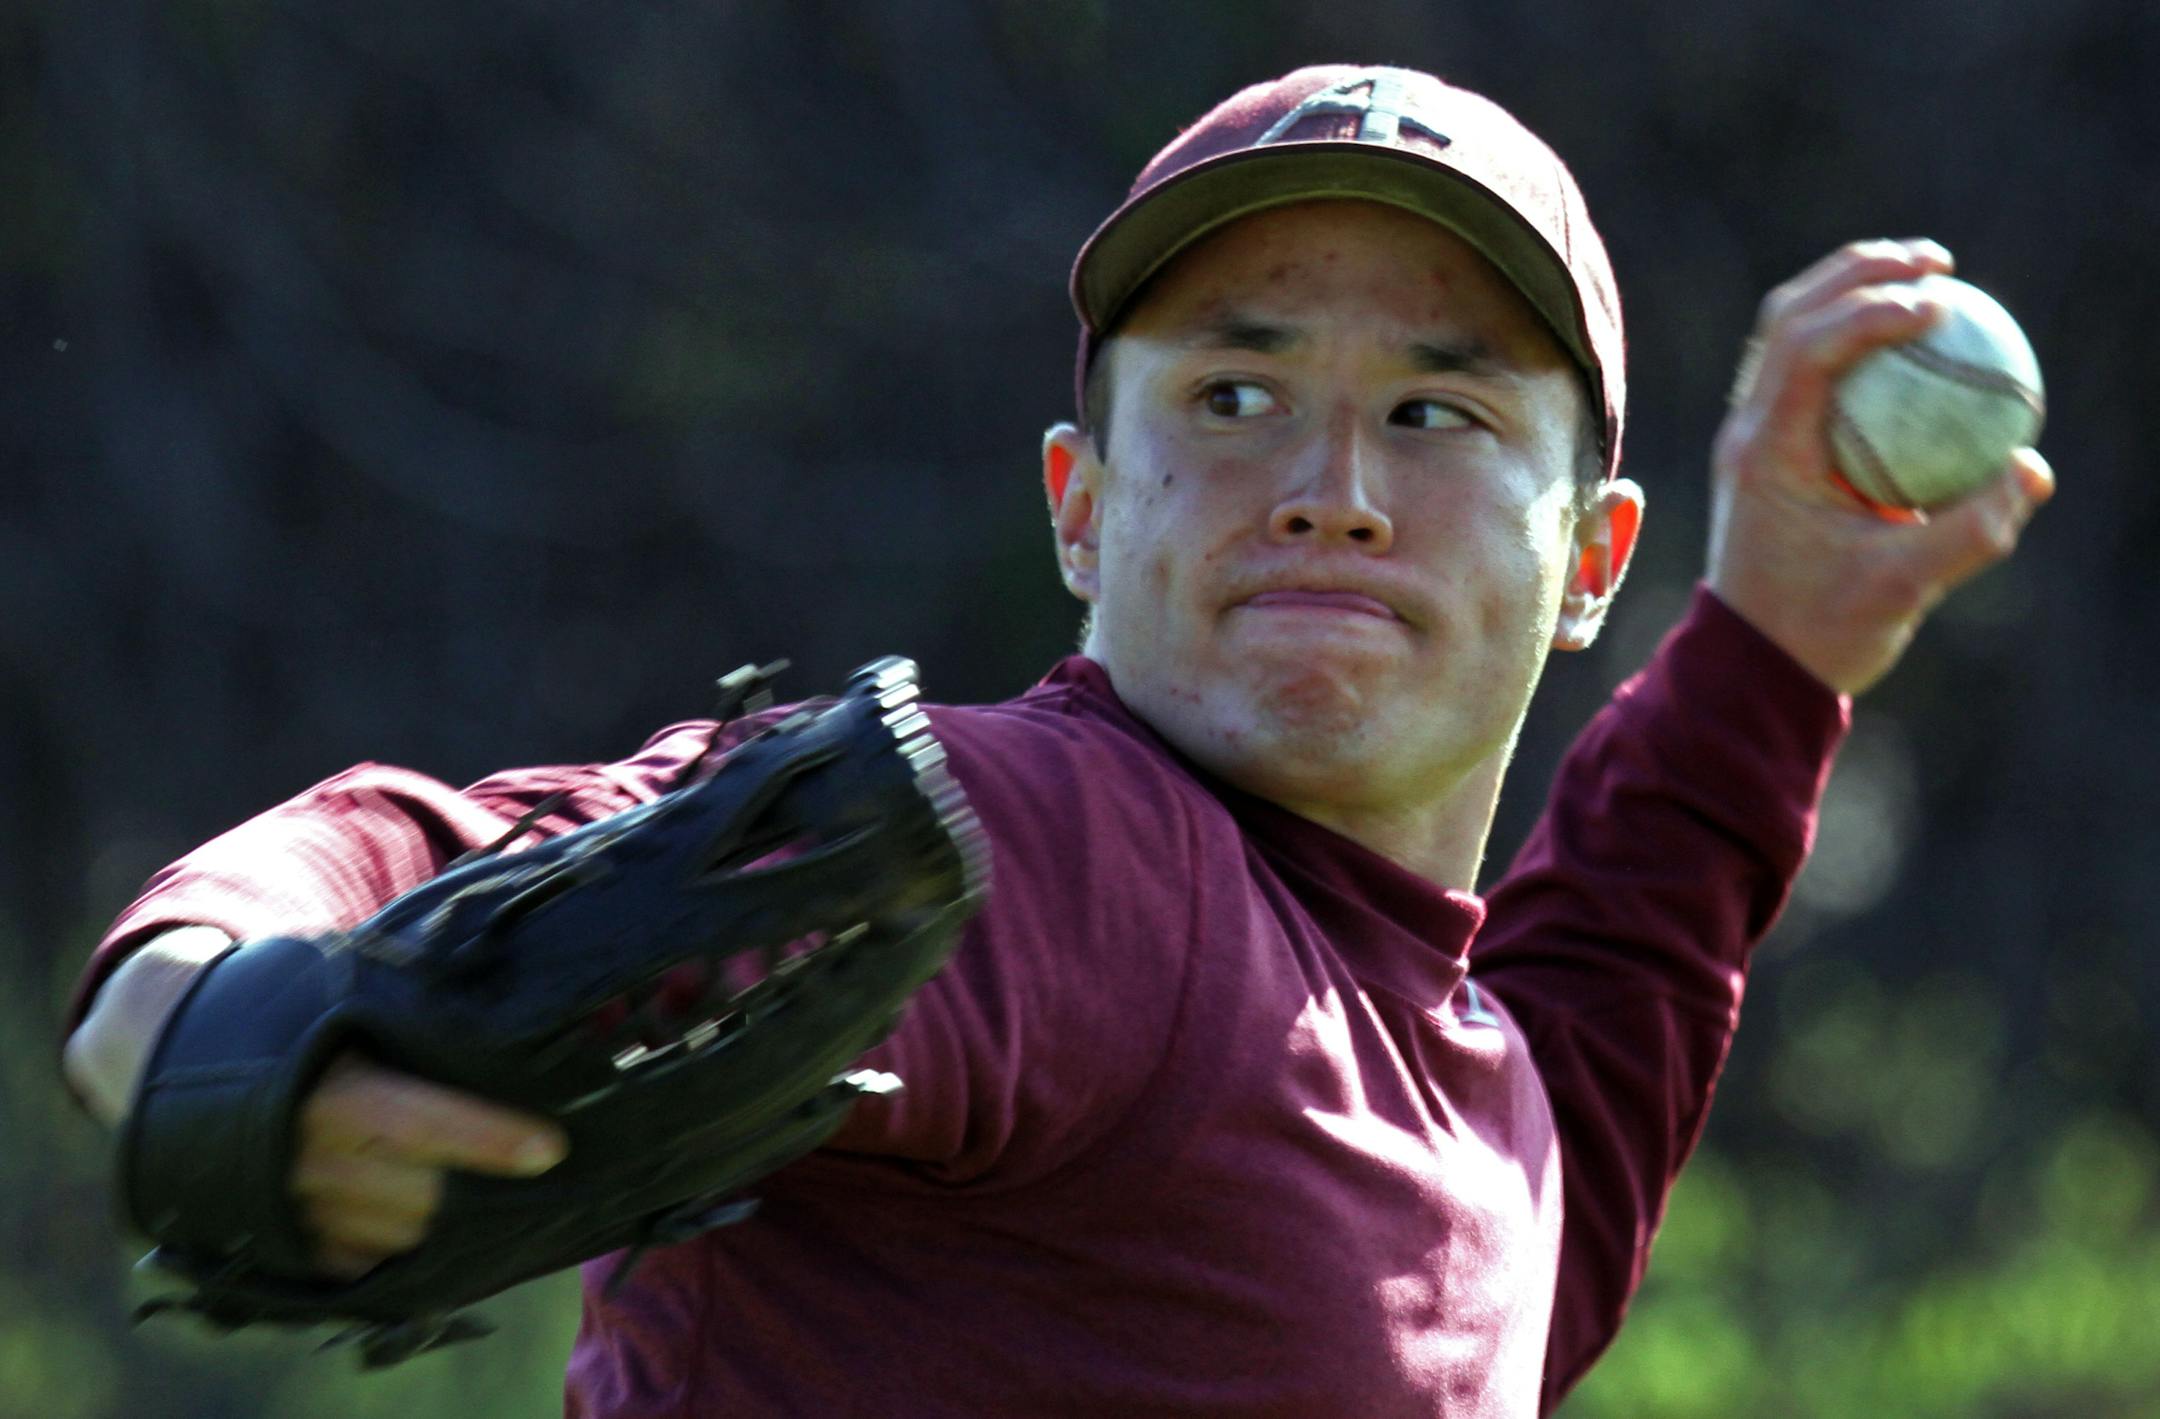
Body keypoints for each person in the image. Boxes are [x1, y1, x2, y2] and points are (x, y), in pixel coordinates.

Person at [60, 64, 2051, 1418]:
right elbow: (453, 842)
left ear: (1592, 553)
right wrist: (211, 1004)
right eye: (1239, 393)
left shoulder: (1476, 1099)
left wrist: (1786, 635)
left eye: (1440, 414)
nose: (1336, 486)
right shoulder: (1082, 857)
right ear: (1082, 505)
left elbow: (1584, 1065)